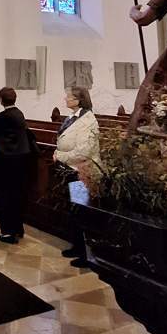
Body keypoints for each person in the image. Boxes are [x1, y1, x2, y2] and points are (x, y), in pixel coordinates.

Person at [54, 87, 100, 268]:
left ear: (78, 100)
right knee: (74, 211)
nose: (66, 99)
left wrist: (60, 155)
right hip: (70, 170)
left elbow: (84, 151)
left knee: (82, 212)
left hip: (82, 172)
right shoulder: (73, 117)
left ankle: (87, 255)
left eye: (69, 97)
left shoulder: (88, 120)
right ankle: (77, 246)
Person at [0, 87, 36, 244]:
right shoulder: (19, 114)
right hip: (21, 162)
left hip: (6, 163)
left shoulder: (2, 117)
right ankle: (18, 229)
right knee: (17, 197)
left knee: (5, 197)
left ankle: (8, 232)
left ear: (1, 100)